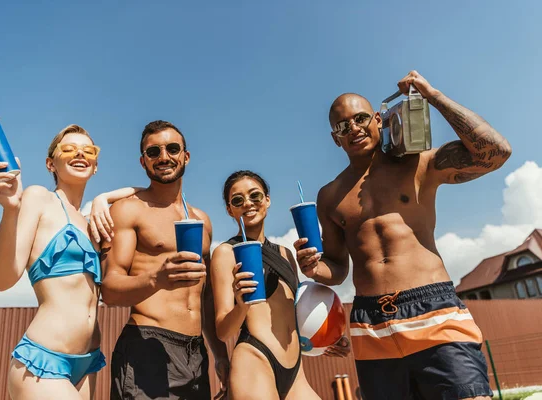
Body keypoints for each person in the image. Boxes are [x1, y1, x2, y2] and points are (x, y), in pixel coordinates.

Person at [294, 71, 512, 400]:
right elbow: (337, 268)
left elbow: (496, 152)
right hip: (370, 323)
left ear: (378, 120)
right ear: (334, 137)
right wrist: (313, 268)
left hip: (432, 308)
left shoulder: (418, 164)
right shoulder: (330, 196)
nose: (352, 128)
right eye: (342, 126)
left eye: (360, 118)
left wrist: (433, 95)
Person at [0, 124, 110, 399]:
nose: (80, 154)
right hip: (44, 361)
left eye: (88, 150)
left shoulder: (91, 222)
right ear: (51, 163)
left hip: (88, 363)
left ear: (96, 165)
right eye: (69, 148)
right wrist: (11, 210)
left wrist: (105, 197)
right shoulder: (39, 198)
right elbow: (2, 279)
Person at [100, 120, 229, 400]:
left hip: (196, 353)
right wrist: (157, 278)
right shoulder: (128, 211)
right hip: (147, 345)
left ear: (186, 156)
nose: (164, 157)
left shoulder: (202, 220)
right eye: (153, 152)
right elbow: (109, 289)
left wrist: (220, 355)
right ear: (143, 161)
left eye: (172, 149)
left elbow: (205, 297)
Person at [212, 170, 342, 400]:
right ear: (229, 210)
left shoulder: (286, 254)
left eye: (255, 196)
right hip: (255, 361)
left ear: (267, 200)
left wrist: (329, 338)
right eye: (237, 200)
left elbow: (298, 314)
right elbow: (223, 331)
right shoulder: (226, 253)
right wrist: (241, 306)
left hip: (295, 370)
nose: (248, 204)